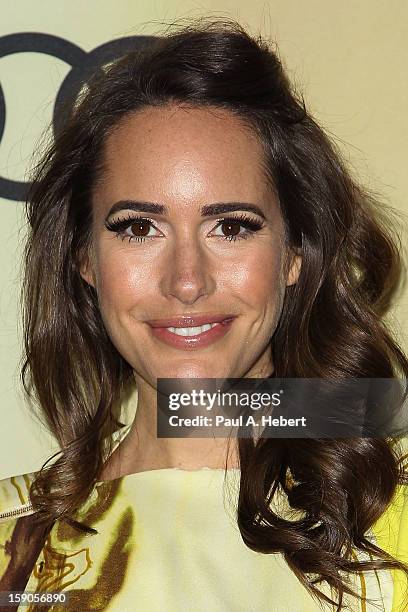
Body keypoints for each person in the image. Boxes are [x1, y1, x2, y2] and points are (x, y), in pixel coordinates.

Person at [0, 18, 407, 612]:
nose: (187, 281)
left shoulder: (390, 509)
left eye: (231, 226)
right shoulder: (14, 545)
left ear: (295, 254)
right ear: (85, 259)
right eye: (139, 228)